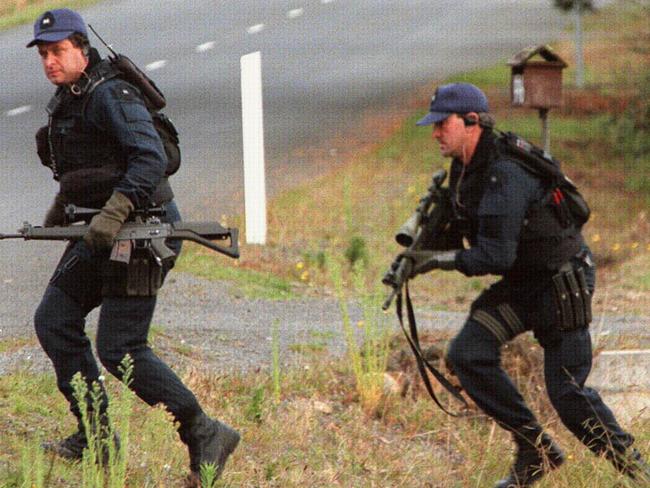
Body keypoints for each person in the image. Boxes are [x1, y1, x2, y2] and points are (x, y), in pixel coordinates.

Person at [27, 9, 239, 486]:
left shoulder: (111, 95)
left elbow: (151, 159)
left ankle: (205, 432)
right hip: (105, 232)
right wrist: (62, 212)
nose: (50, 62)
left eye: (58, 51)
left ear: (82, 48)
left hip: (143, 232)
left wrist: (114, 211)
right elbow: (84, 166)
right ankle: (96, 436)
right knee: (54, 320)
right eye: (44, 54)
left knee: (121, 347)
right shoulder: (70, 98)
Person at [404, 82, 649, 487]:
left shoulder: (505, 172)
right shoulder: (466, 169)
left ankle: (637, 472)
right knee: (468, 353)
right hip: (523, 283)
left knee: (568, 396)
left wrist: (436, 262)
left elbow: (492, 257)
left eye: (442, 124)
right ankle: (535, 450)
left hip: (560, 284)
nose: (435, 133)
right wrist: (422, 247)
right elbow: (472, 233)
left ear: (471, 122)